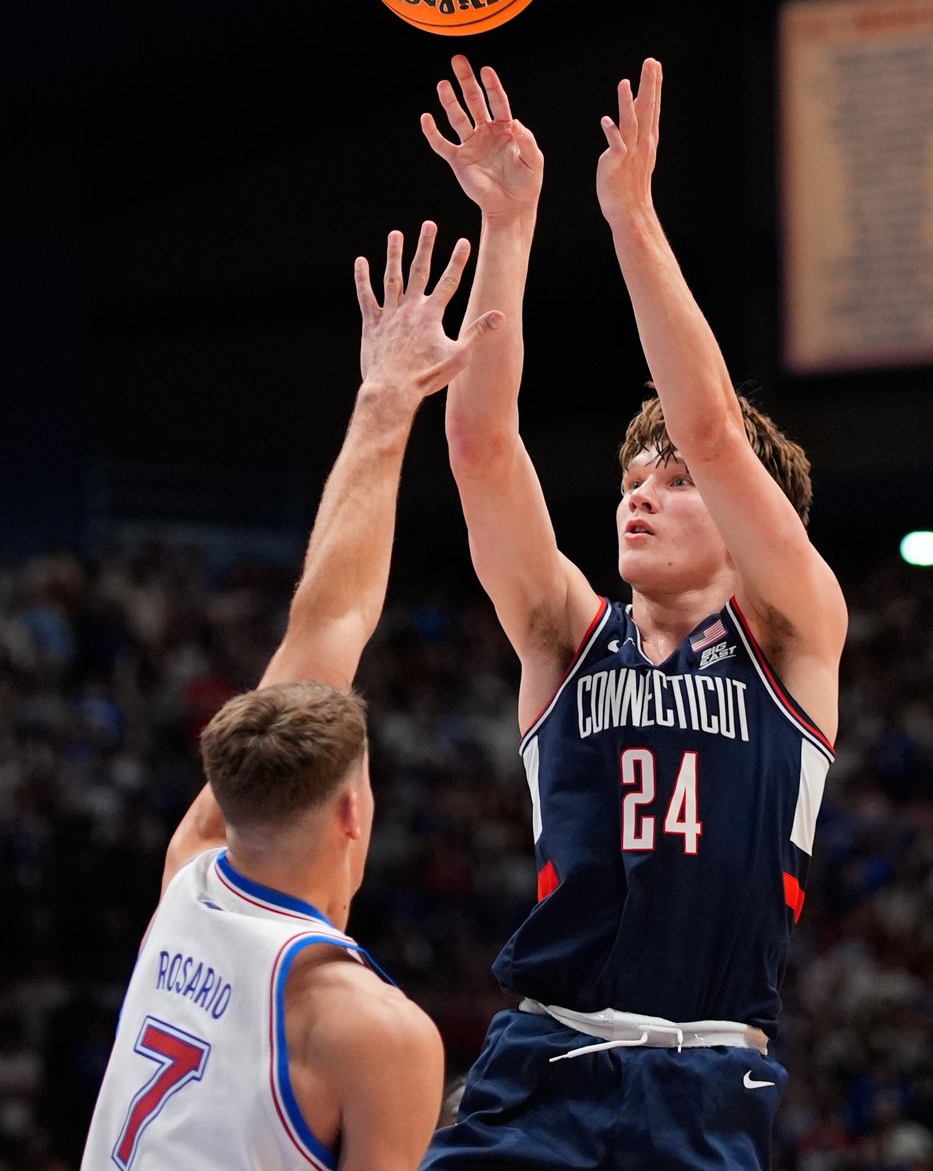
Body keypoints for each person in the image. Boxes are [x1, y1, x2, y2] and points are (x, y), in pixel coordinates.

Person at [417, 57, 849, 1170]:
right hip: (541, 1065)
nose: (641, 490)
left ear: (761, 518)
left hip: (709, 1084)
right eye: (630, 477)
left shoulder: (794, 630)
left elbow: (711, 427)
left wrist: (631, 215)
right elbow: (477, 446)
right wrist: (507, 224)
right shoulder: (565, 629)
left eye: (674, 480)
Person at [79, 223, 503, 1171]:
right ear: (356, 810)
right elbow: (328, 622)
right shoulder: (377, 1034)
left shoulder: (188, 883)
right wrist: (388, 398)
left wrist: (384, 398)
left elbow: (327, 624)